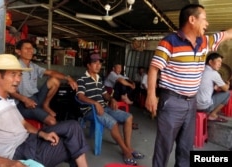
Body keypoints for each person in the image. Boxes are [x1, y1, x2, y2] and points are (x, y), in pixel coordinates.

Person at [145, 4, 232, 167]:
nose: (207, 24)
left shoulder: (205, 42)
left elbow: (227, 34)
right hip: (172, 102)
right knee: (164, 148)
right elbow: (154, 68)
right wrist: (151, 95)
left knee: (186, 148)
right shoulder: (169, 41)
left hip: (192, 103)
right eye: (204, 19)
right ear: (192, 19)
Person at [0, 54, 89, 167]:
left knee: (73, 126)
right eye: (13, 74)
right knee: (73, 145)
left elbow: (23, 123)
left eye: (20, 74)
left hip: (30, 140)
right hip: (19, 153)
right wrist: (11, 164)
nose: (18, 80)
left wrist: (41, 133)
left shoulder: (6, 100)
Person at [76, 53, 144, 166]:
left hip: (103, 107)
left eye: (99, 63)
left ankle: (128, 147)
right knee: (113, 123)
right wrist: (95, 103)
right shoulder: (82, 79)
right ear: (88, 65)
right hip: (89, 110)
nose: (98, 65)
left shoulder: (99, 78)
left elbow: (104, 94)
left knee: (129, 117)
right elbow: (80, 96)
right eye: (95, 63)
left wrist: (111, 99)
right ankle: (126, 152)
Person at [10, 39, 78, 126]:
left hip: (36, 98)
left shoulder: (33, 66)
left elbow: (51, 73)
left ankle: (45, 105)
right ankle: (51, 135)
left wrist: (68, 78)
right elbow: (10, 91)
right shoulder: (15, 67)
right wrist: (25, 100)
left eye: (31, 48)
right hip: (23, 103)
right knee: (52, 121)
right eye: (26, 48)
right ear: (18, 51)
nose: (30, 51)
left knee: (54, 80)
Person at [196, 52, 230, 122]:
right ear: (210, 62)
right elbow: (226, 89)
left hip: (192, 105)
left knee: (215, 90)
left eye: (221, 62)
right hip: (203, 106)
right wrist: (228, 84)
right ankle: (212, 115)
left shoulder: (200, 69)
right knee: (227, 93)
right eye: (218, 61)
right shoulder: (214, 73)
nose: (220, 64)